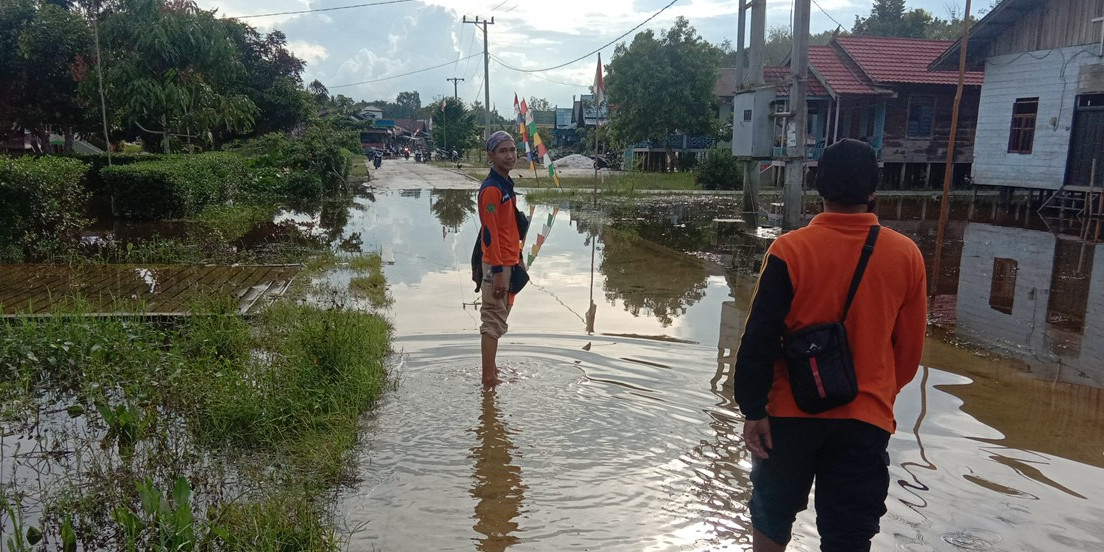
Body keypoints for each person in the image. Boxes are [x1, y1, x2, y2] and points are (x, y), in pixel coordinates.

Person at [733, 138, 927, 551]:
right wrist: (875, 394)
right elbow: (909, 354)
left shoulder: (790, 250)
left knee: (771, 515)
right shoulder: (906, 255)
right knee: (849, 534)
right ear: (873, 189)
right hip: (866, 417)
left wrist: (753, 410)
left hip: (788, 414)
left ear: (818, 186)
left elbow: (758, 340)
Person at [478, 131, 522, 387]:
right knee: (492, 320)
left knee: (498, 317)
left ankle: (492, 371)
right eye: (503, 151)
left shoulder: (506, 186)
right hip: (497, 265)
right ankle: (488, 379)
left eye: (513, 150)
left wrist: (518, 260)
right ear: (491, 155)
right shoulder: (492, 191)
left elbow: (509, 229)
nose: (509, 155)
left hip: (509, 261)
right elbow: (489, 233)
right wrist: (497, 270)